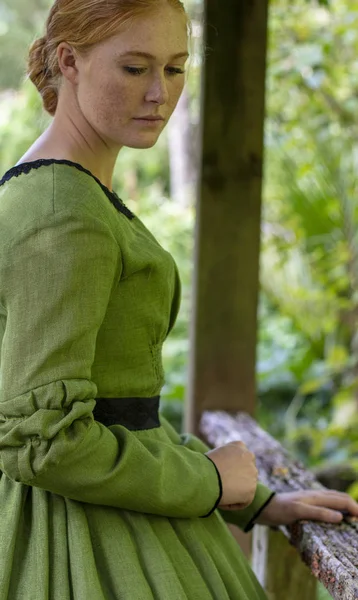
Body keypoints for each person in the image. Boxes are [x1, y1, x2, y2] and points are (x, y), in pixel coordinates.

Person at [0, 0, 357, 598]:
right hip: (83, 546)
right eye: (136, 68)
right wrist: (209, 483)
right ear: (70, 61)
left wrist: (252, 497)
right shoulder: (68, 217)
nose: (160, 94)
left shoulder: (49, 188)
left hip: (101, 514)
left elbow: (119, 407)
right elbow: (43, 440)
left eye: (175, 68)